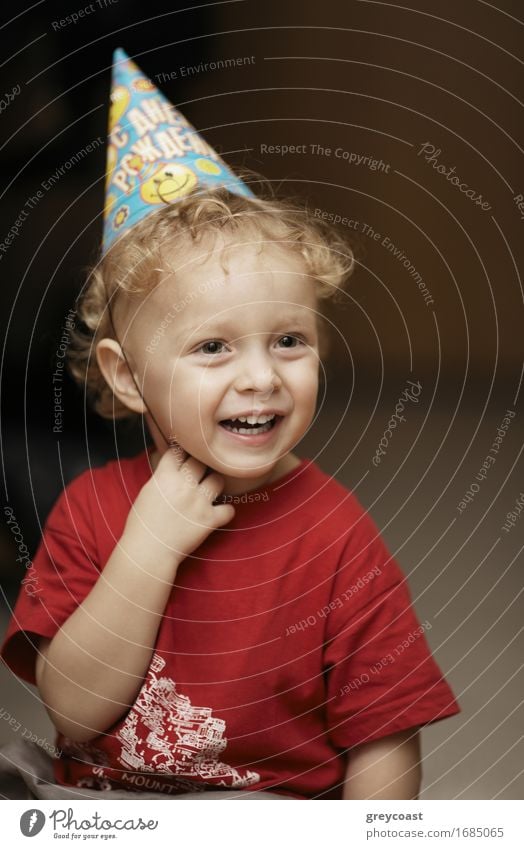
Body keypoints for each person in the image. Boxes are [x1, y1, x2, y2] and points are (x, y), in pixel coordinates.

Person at [0, 50, 460, 801]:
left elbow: (384, 736)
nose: (261, 375)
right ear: (127, 376)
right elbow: (76, 715)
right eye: (213, 346)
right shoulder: (90, 511)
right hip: (113, 810)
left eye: (289, 340)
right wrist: (148, 544)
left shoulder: (336, 534)